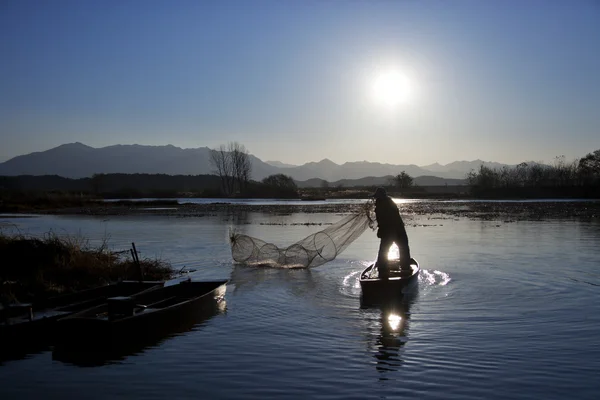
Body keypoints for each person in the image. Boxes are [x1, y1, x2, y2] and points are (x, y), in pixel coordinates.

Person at [373, 187, 411, 278]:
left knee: (385, 250)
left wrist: (381, 230)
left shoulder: (381, 205)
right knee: (403, 248)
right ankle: (405, 268)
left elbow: (384, 220)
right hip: (397, 230)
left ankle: (382, 270)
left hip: (392, 231)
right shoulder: (390, 202)